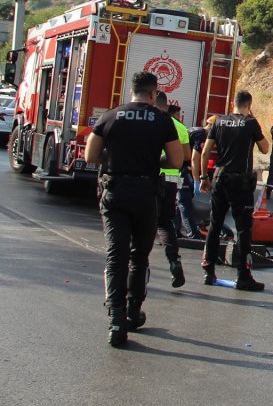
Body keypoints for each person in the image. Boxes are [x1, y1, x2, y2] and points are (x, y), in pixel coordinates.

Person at [84, 71, 182, 347]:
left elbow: (90, 156)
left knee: (116, 257)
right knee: (139, 257)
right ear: (153, 94)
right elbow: (176, 161)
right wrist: (151, 157)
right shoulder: (163, 121)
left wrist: (117, 156)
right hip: (145, 194)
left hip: (115, 192)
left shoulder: (110, 116)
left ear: (132, 91)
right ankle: (132, 312)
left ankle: (115, 321)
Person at [199, 91, 269, 292]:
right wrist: (254, 121)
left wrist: (204, 177)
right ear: (250, 105)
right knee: (243, 229)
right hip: (240, 181)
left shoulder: (219, 122)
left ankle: (208, 269)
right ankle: (244, 275)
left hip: (220, 177)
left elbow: (205, 152)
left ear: (232, 104)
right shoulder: (250, 123)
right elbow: (265, 148)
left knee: (215, 224)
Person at [153, 92, 191, 288]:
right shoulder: (180, 127)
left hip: (149, 178)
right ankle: (174, 263)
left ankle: (137, 271)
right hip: (170, 179)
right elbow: (186, 156)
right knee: (166, 223)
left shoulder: (150, 121)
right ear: (167, 106)